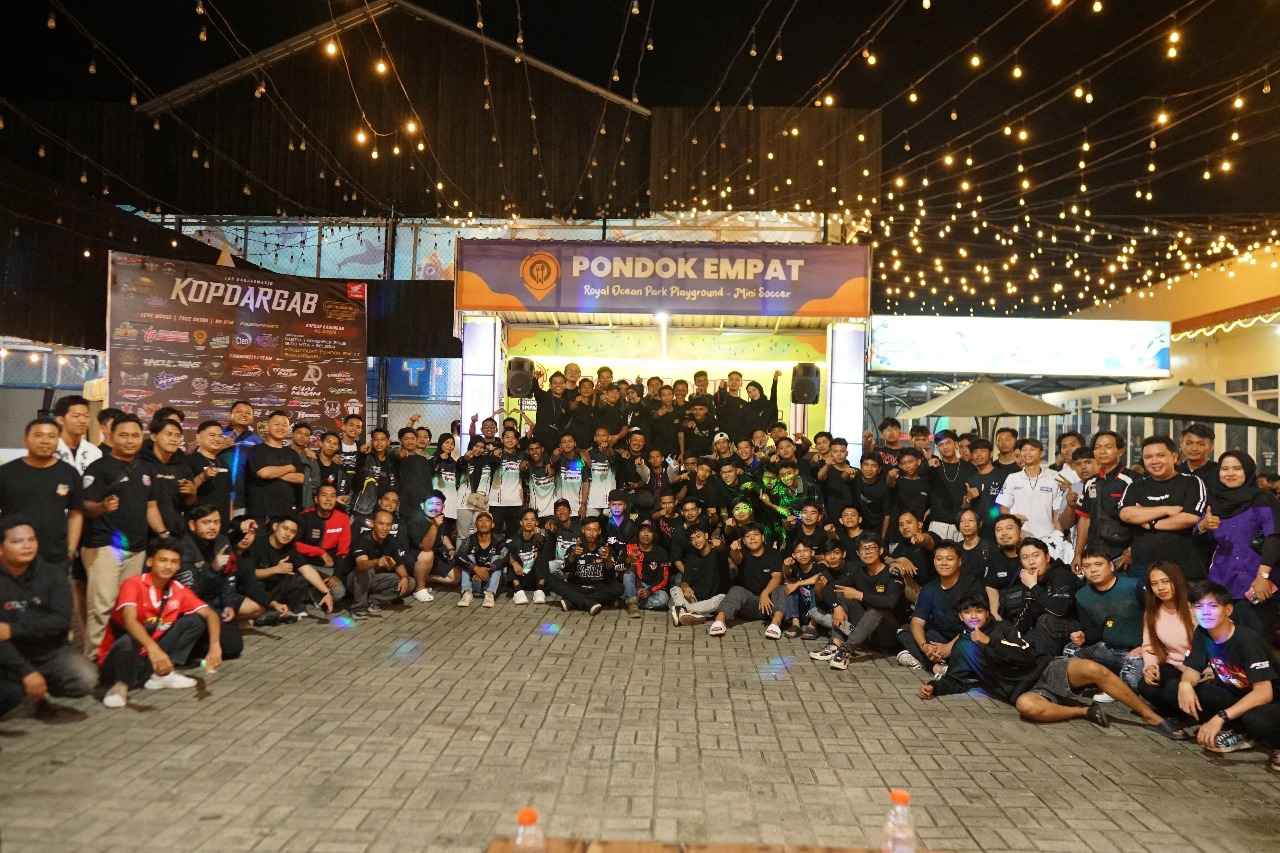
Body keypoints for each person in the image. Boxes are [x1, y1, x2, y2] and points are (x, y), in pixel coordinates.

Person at [919, 596, 1182, 739]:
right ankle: (1083, 711)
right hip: (1023, 691)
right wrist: (934, 687)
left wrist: (990, 643)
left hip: (1045, 669)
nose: (974, 616)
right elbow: (957, 679)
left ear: (987, 613)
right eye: (968, 613)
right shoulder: (963, 647)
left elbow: (1026, 656)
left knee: (1094, 670)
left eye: (978, 611)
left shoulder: (1003, 629)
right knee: (1027, 708)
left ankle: (1152, 717)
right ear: (961, 617)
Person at [97, 537, 223, 709]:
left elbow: (210, 614)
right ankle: (119, 686)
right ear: (150, 562)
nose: (168, 566)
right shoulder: (133, 584)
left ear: (179, 566)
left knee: (195, 621)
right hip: (118, 658)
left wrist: (215, 646)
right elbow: (129, 620)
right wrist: (153, 649)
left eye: (174, 562)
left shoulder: (178, 589)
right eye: (163, 560)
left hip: (149, 657)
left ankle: (162, 675)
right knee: (130, 639)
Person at [79, 414, 166, 656]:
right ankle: (93, 658)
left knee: (128, 607)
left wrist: (164, 534)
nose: (130, 441)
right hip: (104, 545)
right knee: (102, 607)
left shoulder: (146, 468)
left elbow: (151, 507)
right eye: (123, 435)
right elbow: (84, 506)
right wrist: (102, 506)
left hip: (137, 549)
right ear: (111, 436)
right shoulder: (99, 467)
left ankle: (121, 658)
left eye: (135, 435)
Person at [0, 517, 97, 718]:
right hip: (7, 655)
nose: (27, 546)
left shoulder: (52, 574)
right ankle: (23, 690)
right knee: (11, 694)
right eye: (17, 541)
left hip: (48, 652)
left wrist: (14, 629)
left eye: (31, 539)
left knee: (86, 677)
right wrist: (26, 671)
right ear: (1, 548)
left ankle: (39, 687)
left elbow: (60, 621)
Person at [1178, 581, 1280, 768]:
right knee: (1195, 692)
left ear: (1228, 610)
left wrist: (1221, 717)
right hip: (1239, 694)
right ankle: (1241, 732)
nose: (1205, 612)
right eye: (1199, 607)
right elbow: (1192, 669)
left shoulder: (1247, 640)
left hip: (1271, 701)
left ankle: (1270, 741)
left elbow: (1264, 693)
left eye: (1213, 606)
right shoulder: (1203, 632)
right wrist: (1184, 684)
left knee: (1256, 720)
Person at [1202, 450, 1279, 638]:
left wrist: (1263, 577)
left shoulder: (1262, 498)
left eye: (1237, 468)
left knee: (1256, 639)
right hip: (1221, 582)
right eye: (1225, 469)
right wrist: (1203, 526)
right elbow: (1203, 543)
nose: (1230, 473)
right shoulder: (1213, 502)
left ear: (1248, 471)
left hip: (1255, 582)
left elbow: (1274, 537)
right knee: (1225, 641)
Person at [178, 504, 261, 662]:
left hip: (216, 600)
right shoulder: (183, 547)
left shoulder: (222, 541)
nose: (212, 527)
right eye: (206, 522)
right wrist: (213, 569)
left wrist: (228, 604)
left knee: (233, 648)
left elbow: (229, 577)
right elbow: (190, 592)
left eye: (216, 522)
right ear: (192, 525)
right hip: (191, 606)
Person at [1119, 436, 1208, 579]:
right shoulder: (1136, 486)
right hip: (1142, 565)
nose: (1154, 461)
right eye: (1148, 457)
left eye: (1160, 455)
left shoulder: (1191, 482)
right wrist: (1166, 510)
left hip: (1182, 564)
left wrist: (1150, 522)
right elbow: (1126, 514)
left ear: (1174, 457)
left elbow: (1189, 517)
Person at [812, 535, 905, 669]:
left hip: (887, 634)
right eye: (863, 549)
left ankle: (846, 650)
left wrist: (860, 595)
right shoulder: (859, 572)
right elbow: (830, 588)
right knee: (842, 594)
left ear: (880, 551)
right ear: (858, 553)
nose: (867, 552)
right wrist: (837, 607)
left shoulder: (891, 573)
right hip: (863, 632)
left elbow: (890, 602)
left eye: (871, 548)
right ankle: (835, 644)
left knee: (877, 608)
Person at [897, 542, 986, 672]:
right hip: (940, 637)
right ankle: (936, 666)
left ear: (959, 562)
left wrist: (949, 648)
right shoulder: (929, 588)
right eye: (939, 559)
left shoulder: (972, 586)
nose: (943, 563)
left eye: (949, 559)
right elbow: (917, 621)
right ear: (934, 562)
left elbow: (976, 623)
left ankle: (931, 664)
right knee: (904, 631)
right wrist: (925, 647)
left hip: (966, 637)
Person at [1068, 548, 1146, 691]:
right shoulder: (1082, 596)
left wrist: (1146, 645)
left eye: (1098, 564)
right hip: (1108, 649)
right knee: (1070, 651)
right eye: (1087, 566)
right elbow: (1095, 631)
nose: (1093, 570)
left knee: (1130, 680)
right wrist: (1083, 636)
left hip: (1139, 651)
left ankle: (1115, 686)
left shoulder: (1134, 586)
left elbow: (1157, 617)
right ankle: (1100, 684)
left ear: (1111, 566)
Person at [242, 515, 333, 623]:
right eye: (285, 528)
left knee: (299, 579)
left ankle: (284, 610)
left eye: (292, 532)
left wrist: (326, 592)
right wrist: (275, 569)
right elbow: (248, 574)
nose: (288, 534)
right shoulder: (257, 543)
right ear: (275, 526)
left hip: (274, 590)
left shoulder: (290, 548)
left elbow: (307, 570)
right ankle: (266, 613)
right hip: (254, 590)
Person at [1000, 537, 1080, 656]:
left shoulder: (1061, 575)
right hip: (1044, 631)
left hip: (1075, 629)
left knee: (1045, 620)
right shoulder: (1030, 581)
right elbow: (1025, 620)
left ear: (1047, 557)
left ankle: (1046, 661)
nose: (1031, 561)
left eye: (1036, 555)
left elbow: (1059, 610)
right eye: (1025, 557)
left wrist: (1033, 586)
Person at [1139, 562, 1197, 719]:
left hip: (1198, 670)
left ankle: (1187, 713)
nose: (1160, 588)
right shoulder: (1152, 612)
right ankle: (1179, 712)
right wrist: (1150, 667)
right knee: (1145, 685)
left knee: (1172, 688)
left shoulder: (1194, 608)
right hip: (1172, 666)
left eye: (1165, 581)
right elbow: (1149, 646)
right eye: (1154, 584)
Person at [709, 525, 786, 638]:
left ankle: (775, 624)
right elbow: (737, 559)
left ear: (762, 538)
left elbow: (777, 577)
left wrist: (765, 593)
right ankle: (719, 621)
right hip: (750, 604)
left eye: (756, 535)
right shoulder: (741, 553)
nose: (752, 538)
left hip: (770, 604)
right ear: (744, 541)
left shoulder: (773, 554)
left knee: (781, 589)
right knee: (736, 590)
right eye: (748, 536)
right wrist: (734, 550)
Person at [1076, 430, 1135, 571]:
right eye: (1097, 447)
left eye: (1108, 447)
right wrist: (1078, 553)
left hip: (1123, 556)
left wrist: (1132, 550)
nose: (1102, 451)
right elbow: (1085, 519)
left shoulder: (1132, 479)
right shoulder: (1090, 482)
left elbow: (1140, 520)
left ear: (1120, 451)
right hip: (1094, 554)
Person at [996, 439, 1067, 554]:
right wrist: (1013, 519)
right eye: (1024, 450)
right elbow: (1003, 508)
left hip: (1047, 538)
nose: (1027, 453)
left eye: (1032, 449)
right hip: (1020, 538)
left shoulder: (1054, 477)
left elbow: (1056, 513)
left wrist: (1060, 538)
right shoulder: (1012, 478)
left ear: (1041, 453)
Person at [545, 516, 622, 614]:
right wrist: (572, 555)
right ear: (583, 530)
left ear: (599, 531)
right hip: (577, 587)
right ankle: (589, 603)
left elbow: (612, 574)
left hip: (598, 588)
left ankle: (573, 601)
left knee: (619, 588)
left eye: (595, 530)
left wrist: (607, 559)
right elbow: (565, 570)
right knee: (550, 580)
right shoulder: (574, 548)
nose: (591, 533)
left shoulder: (605, 549)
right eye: (588, 530)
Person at [294, 484, 352, 606]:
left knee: (339, 592)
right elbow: (294, 544)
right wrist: (320, 552)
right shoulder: (304, 516)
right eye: (324, 495)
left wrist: (336, 576)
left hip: (327, 568)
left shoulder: (343, 518)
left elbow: (343, 551)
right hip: (305, 565)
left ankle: (313, 596)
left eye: (332, 496)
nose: (328, 499)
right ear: (316, 499)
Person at [349, 509, 412, 616]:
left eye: (388, 525)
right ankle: (358, 608)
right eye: (381, 524)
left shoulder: (391, 541)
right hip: (355, 581)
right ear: (373, 524)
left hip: (377, 580)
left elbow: (399, 565)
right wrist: (377, 562)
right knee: (367, 570)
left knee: (410, 582)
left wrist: (404, 578)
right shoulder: (363, 538)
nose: (384, 528)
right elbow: (361, 565)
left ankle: (374, 601)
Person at [246, 411, 303, 521]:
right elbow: (264, 473)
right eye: (277, 424)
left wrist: (273, 473)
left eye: (284, 425)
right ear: (267, 427)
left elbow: (300, 478)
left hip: (287, 513)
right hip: (261, 513)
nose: (280, 428)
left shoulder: (292, 453)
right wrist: (289, 468)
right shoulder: (256, 450)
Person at [668, 524, 727, 625]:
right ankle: (692, 613)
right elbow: (685, 581)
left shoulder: (718, 553)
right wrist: (685, 587)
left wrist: (720, 544)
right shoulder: (691, 557)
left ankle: (683, 611)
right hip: (696, 600)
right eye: (692, 539)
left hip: (714, 601)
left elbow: (723, 549)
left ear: (706, 536)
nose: (696, 541)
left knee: (723, 599)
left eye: (698, 536)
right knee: (675, 589)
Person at [924, 430, 976, 543]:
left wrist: (968, 500)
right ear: (937, 448)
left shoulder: (970, 468)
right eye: (940, 445)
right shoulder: (933, 467)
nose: (945, 447)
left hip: (962, 523)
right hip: (938, 523)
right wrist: (926, 463)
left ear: (955, 444)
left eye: (948, 443)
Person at [454, 511, 506, 608]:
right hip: (474, 580)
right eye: (480, 520)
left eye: (487, 520)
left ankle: (490, 595)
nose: (483, 523)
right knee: (467, 558)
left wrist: (488, 570)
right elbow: (458, 556)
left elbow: (504, 559)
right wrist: (475, 569)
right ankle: (467, 593)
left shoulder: (499, 540)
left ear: (493, 525)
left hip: (491, 580)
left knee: (497, 559)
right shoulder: (470, 539)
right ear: (475, 525)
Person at [623, 521, 673, 616]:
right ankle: (632, 602)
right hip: (635, 586)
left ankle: (631, 603)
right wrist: (628, 561)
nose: (646, 534)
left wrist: (649, 591)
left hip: (652, 588)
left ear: (654, 535)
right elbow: (619, 570)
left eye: (649, 531)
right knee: (627, 575)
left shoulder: (662, 552)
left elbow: (664, 578)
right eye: (643, 531)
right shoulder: (630, 548)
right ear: (638, 533)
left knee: (663, 599)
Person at [961, 438, 1006, 535]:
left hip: (999, 528)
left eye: (983, 451)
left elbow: (1007, 504)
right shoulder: (970, 479)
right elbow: (964, 507)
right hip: (976, 530)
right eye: (975, 452)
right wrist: (968, 498)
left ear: (991, 454)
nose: (979, 455)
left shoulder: (1003, 476)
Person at [507, 508, 550, 605]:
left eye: (532, 519)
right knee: (511, 555)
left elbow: (547, 553)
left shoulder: (542, 536)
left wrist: (539, 536)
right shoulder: (515, 538)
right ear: (521, 522)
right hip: (520, 576)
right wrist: (514, 563)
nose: (529, 522)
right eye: (526, 519)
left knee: (542, 555)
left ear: (536, 523)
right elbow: (506, 553)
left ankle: (539, 591)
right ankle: (518, 591)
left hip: (536, 578)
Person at [52, 394, 101, 475]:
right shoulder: (49, 448)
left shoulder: (94, 452)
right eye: (76, 416)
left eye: (86, 416)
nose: (83, 421)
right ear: (60, 420)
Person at [290, 422, 321, 510]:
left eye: (306, 435)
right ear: (292, 434)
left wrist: (307, 489)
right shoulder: (282, 453)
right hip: (284, 502)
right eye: (299, 433)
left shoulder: (311, 457)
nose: (302, 437)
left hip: (305, 504)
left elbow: (316, 482)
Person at [1177, 423, 1218, 489]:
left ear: (1211, 447)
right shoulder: (1174, 471)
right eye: (1189, 443)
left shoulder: (1219, 472)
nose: (1194, 448)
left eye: (1201, 444)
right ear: (1181, 444)